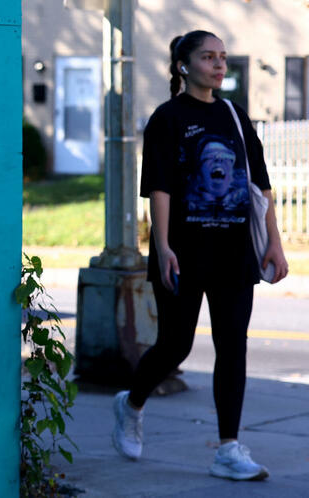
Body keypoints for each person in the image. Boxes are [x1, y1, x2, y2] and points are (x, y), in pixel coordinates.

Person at [111, 30, 288, 480]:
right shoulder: (167, 118)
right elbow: (160, 187)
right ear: (183, 65)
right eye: (209, 57)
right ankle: (131, 403)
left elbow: (260, 184)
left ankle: (228, 449)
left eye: (223, 57)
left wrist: (274, 241)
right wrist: (164, 246)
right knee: (175, 344)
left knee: (233, 347)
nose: (219, 64)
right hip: (184, 251)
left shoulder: (234, 115)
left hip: (233, 253)